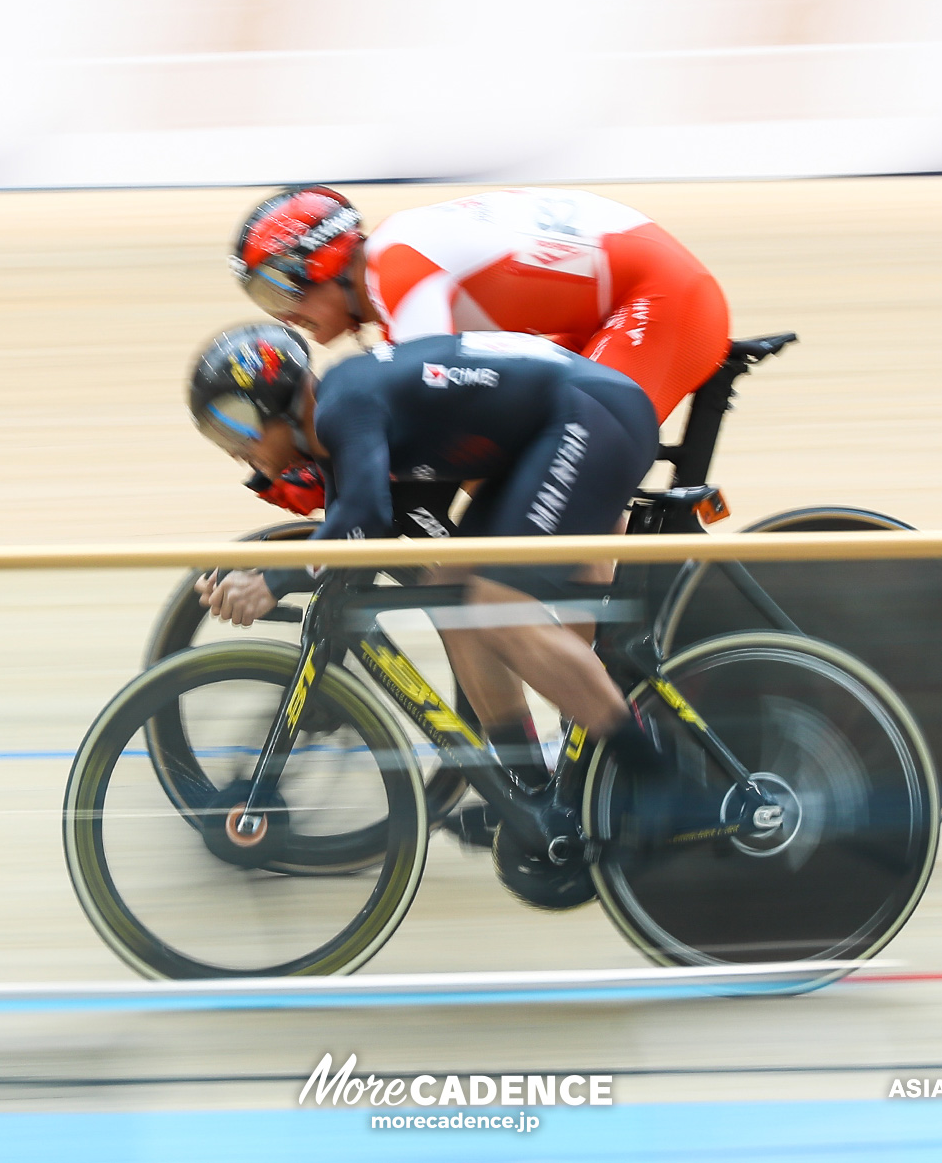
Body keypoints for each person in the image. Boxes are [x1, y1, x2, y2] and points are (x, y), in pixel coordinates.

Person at [186, 323, 670, 855]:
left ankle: (660, 783)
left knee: (495, 604)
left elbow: (363, 519)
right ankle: (533, 790)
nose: (236, 451)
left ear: (275, 402)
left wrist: (272, 580)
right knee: (452, 592)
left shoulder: (342, 406)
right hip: (564, 421)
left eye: (236, 424)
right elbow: (376, 521)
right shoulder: (338, 417)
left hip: (592, 414)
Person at [228, 185, 732, 515]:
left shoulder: (398, 268)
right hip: (609, 305)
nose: (284, 317)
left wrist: (324, 467)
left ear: (321, 261)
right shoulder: (394, 274)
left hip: (659, 299)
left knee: (564, 481)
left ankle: (620, 642)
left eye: (280, 293)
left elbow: (424, 421)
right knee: (509, 467)